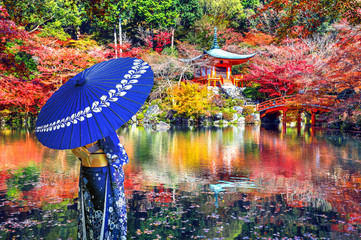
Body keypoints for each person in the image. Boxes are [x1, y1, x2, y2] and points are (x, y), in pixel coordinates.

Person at [72, 131, 128, 240]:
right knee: (105, 211)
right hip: (101, 173)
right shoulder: (102, 125)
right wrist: (121, 143)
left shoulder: (79, 126)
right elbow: (114, 152)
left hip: (86, 171)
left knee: (90, 211)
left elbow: (79, 153)